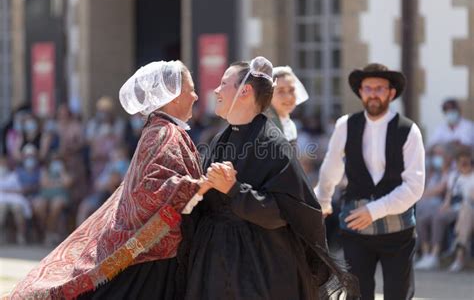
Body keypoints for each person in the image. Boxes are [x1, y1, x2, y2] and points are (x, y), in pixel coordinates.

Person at [8, 60, 211, 299]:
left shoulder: (162, 129)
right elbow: (150, 189)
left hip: (157, 253)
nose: (196, 97)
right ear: (174, 96)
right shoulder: (164, 133)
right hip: (151, 258)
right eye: (191, 89)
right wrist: (201, 185)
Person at [179, 57, 359, 300]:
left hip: (258, 266)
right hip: (215, 261)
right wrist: (203, 188)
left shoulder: (273, 144)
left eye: (223, 84)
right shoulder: (221, 138)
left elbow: (285, 211)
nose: (216, 91)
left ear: (245, 91)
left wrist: (234, 188)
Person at [315, 63, 425, 300]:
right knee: (358, 294)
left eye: (380, 88)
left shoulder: (409, 130)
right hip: (356, 229)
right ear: (361, 92)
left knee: (398, 294)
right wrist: (323, 199)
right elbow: (330, 167)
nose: (373, 93)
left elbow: (415, 186)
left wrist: (373, 210)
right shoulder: (345, 125)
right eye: (368, 88)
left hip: (399, 231)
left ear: (391, 93)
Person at [266, 65, 308, 144]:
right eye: (281, 91)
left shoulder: (291, 125)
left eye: (291, 90)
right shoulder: (264, 126)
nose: (288, 97)